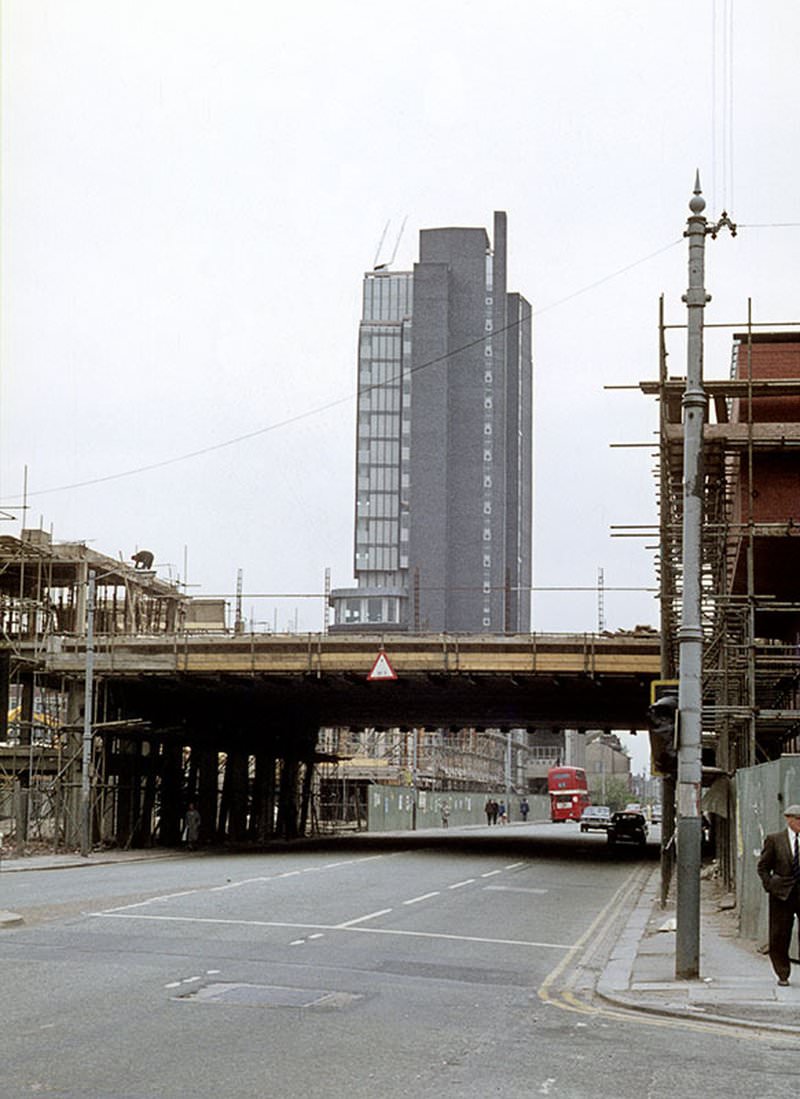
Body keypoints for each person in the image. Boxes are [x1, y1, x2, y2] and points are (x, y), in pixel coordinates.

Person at [757, 803, 800, 985]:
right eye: (798, 819)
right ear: (788, 819)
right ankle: (782, 973)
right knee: (780, 935)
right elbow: (763, 867)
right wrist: (770, 886)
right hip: (782, 894)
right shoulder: (775, 840)